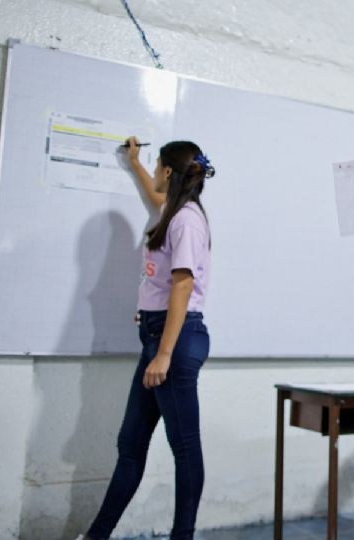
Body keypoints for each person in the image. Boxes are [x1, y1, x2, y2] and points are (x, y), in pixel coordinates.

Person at [82, 137, 214, 540]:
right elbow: (152, 190)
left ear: (170, 172)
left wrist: (164, 355)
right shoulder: (170, 212)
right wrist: (136, 163)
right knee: (131, 444)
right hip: (157, 338)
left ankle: (183, 536)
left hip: (174, 339)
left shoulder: (187, 219)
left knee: (184, 447)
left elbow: (182, 286)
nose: (154, 175)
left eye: (158, 167)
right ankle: (96, 535)